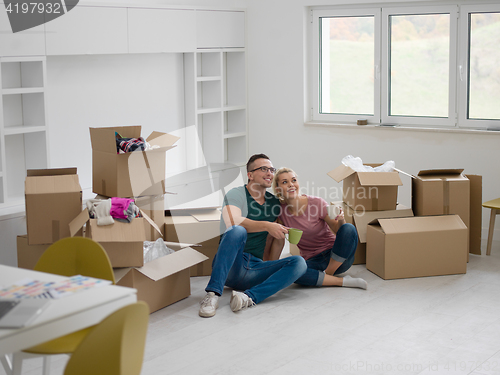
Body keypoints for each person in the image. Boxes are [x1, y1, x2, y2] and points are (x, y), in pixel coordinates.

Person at [199, 154, 307, 318]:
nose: (270, 173)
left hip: (255, 269)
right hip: (232, 265)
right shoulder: (237, 194)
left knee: (299, 262)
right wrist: (266, 225)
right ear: (250, 175)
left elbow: (294, 206)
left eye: (271, 169)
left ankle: (248, 297)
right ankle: (212, 295)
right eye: (264, 169)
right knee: (237, 230)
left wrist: (325, 210)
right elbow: (232, 220)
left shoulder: (273, 203)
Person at [272, 167, 367, 289]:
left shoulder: (316, 203)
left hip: (337, 257)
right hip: (313, 261)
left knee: (349, 228)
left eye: (294, 180)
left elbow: (340, 231)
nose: (291, 185)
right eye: (285, 182)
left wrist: (341, 218)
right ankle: (341, 281)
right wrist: (271, 267)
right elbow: (278, 241)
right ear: (278, 189)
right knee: (292, 272)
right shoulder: (280, 211)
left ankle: (328, 275)